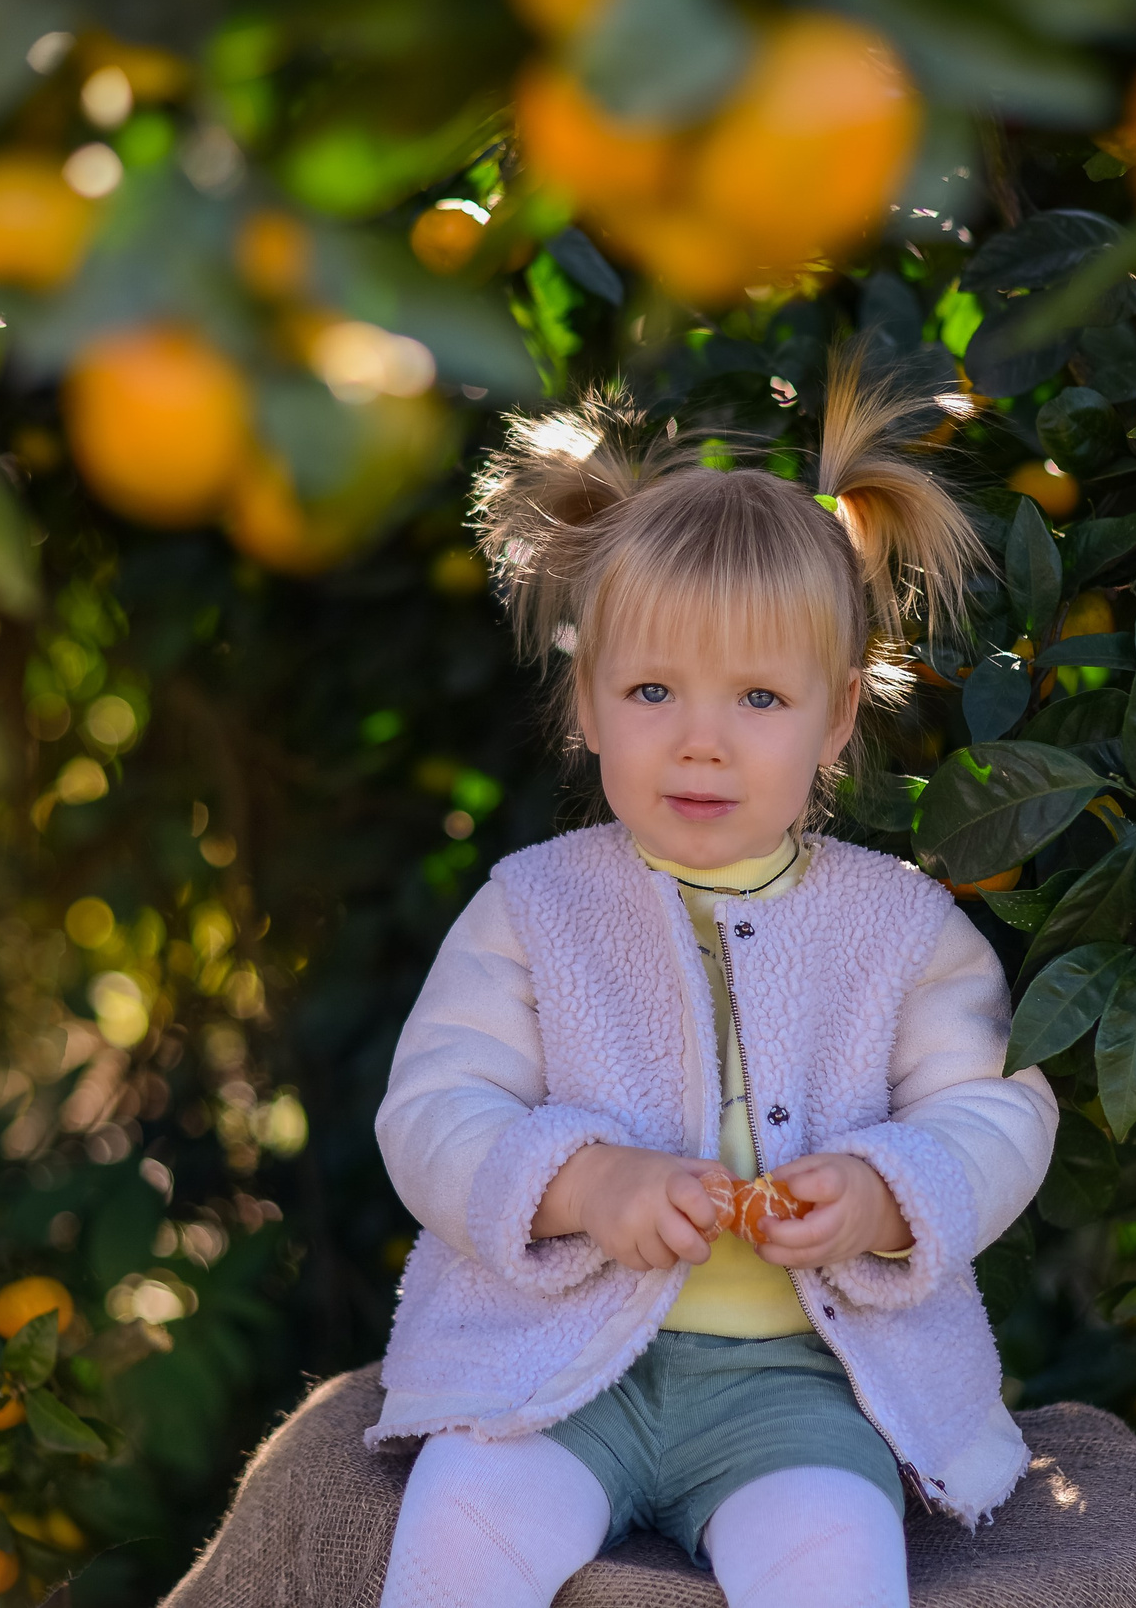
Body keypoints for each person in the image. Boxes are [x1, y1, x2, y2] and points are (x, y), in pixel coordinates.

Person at [368, 351, 1059, 1608]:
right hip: (556, 1372)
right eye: (650, 689)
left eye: (757, 695)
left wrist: (882, 1192)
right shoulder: (533, 906)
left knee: (835, 1570)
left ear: (837, 717)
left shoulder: (900, 928)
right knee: (459, 1536)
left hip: (797, 1390)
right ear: (585, 702)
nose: (700, 737)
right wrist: (581, 1180)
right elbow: (433, 1110)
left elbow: (996, 1110)